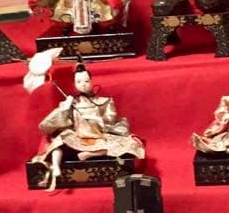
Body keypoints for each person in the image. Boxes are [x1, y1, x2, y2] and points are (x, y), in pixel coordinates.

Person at [32, 62, 145, 191]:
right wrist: (64, 108)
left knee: (128, 144)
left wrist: (97, 119)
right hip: (78, 136)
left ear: (91, 81)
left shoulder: (105, 101)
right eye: (79, 82)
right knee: (59, 141)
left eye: (86, 81)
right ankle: (56, 166)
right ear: (75, 84)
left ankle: (90, 154)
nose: (83, 84)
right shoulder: (72, 103)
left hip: (99, 136)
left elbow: (111, 119)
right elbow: (54, 124)